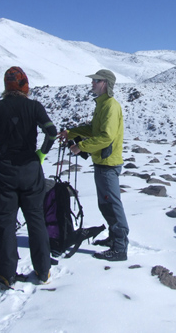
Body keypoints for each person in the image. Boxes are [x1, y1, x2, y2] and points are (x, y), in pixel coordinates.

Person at [0, 66, 57, 288]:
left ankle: (6, 274)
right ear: (25, 86)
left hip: (4, 170)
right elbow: (51, 132)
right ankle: (42, 271)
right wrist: (41, 153)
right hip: (30, 168)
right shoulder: (34, 106)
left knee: (6, 223)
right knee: (36, 220)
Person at [58, 69, 129, 262]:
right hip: (102, 162)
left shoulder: (110, 106)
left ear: (105, 83)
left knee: (112, 206)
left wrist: (80, 147)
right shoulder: (102, 105)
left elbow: (106, 137)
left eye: (96, 81)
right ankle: (114, 239)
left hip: (108, 163)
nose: (92, 84)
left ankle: (120, 248)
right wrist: (70, 133)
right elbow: (93, 129)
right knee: (105, 204)